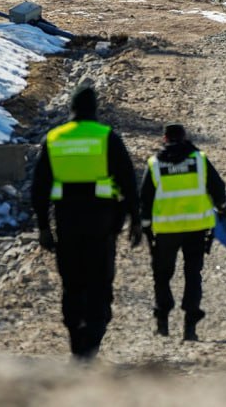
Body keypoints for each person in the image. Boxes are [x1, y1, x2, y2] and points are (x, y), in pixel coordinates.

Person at [32, 83, 143, 361]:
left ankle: (76, 342)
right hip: (101, 224)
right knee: (99, 283)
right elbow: (129, 182)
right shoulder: (107, 137)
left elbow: (39, 188)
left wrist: (44, 226)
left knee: (72, 284)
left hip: (67, 223)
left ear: (71, 109)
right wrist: (136, 220)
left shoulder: (55, 138)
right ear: (95, 109)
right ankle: (92, 343)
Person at [139, 123, 226, 341]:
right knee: (193, 274)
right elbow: (219, 189)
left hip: (166, 230)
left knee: (162, 275)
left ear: (164, 138)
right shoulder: (199, 159)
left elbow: (145, 199)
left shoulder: (155, 164)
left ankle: (162, 322)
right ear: (185, 137)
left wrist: (145, 226)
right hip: (196, 228)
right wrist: (221, 209)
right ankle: (190, 326)